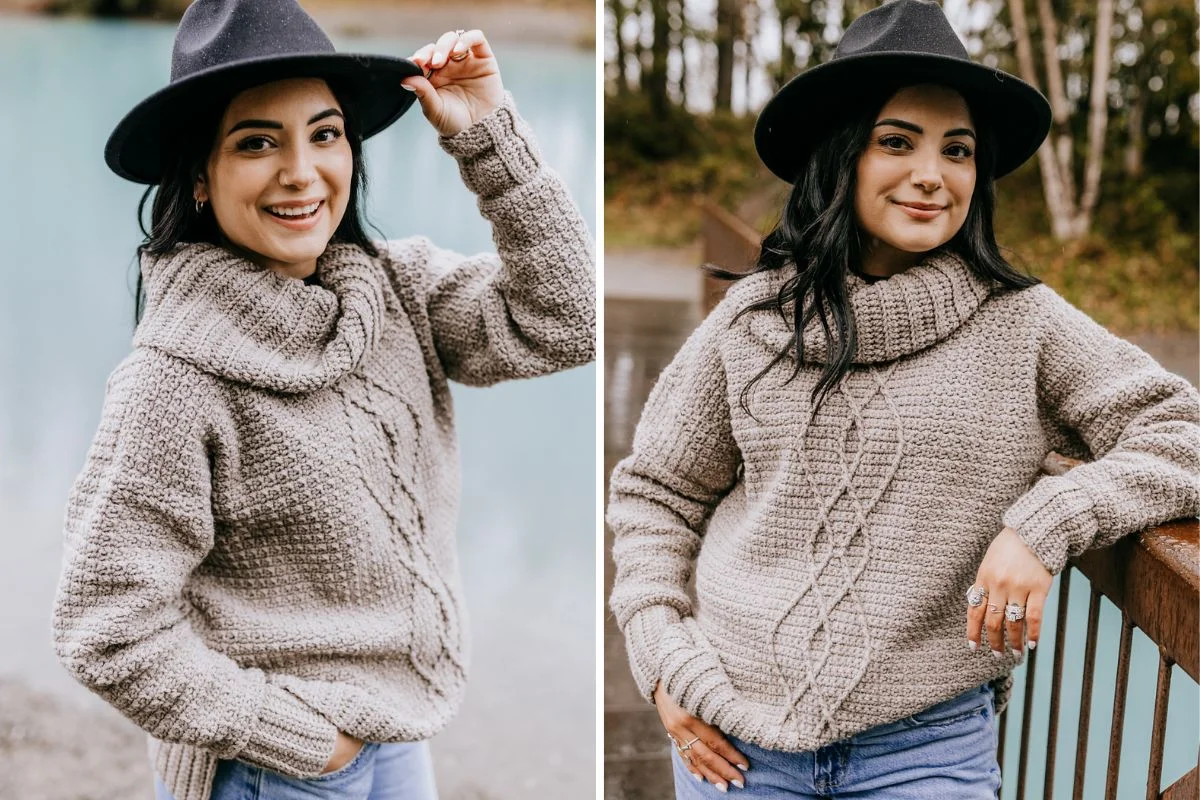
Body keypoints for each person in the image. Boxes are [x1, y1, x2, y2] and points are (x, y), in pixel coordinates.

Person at [607, 1, 1198, 797]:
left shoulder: (1022, 324)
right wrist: (661, 661)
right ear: (840, 156)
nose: (933, 174)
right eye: (896, 142)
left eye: (959, 150)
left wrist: (1049, 522)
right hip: (727, 737)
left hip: (926, 747)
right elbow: (657, 493)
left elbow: (1179, 429)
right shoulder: (749, 323)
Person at [50, 1, 594, 799]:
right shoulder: (171, 380)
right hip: (273, 767)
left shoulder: (397, 288)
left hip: (397, 732)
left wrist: (486, 137)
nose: (301, 171)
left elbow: (569, 320)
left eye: (325, 133)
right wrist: (304, 740)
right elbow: (105, 627)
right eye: (256, 142)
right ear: (200, 176)